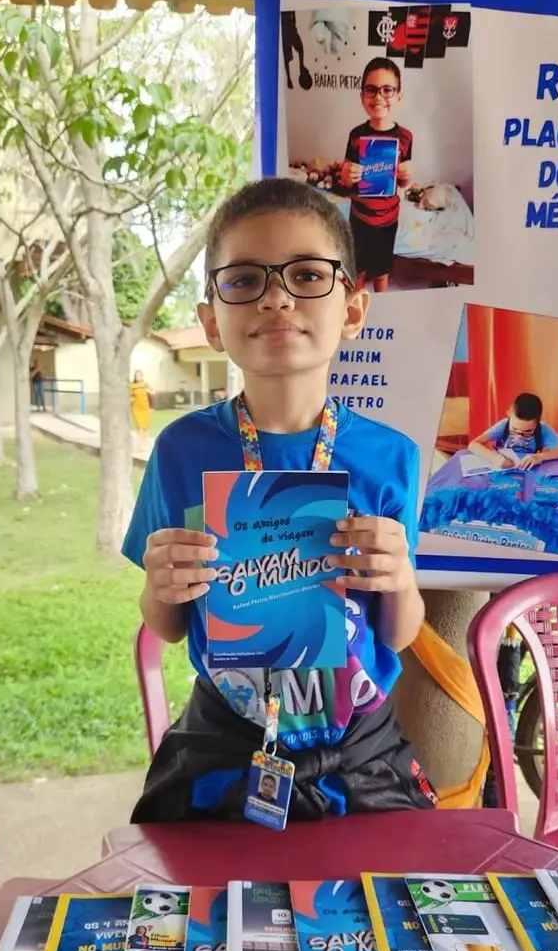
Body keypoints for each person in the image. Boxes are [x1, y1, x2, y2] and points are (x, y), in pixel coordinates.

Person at [122, 176, 437, 823]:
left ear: (351, 310)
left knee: (388, 914)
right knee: (207, 917)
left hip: (362, 751)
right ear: (212, 320)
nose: (275, 299)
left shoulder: (390, 456)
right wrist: (164, 586)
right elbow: (169, 626)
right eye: (244, 280)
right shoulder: (183, 451)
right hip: (226, 743)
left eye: (306, 275)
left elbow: (398, 635)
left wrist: (399, 580)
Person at [338, 58, 414, 294]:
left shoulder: (406, 138)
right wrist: (345, 174)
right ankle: (356, 309)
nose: (378, 97)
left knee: (382, 272)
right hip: (359, 218)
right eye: (371, 89)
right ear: (362, 96)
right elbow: (345, 180)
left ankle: (384, 307)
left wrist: (407, 176)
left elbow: (402, 183)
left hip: (388, 219)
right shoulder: (355, 135)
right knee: (357, 271)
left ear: (399, 96)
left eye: (388, 90)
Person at [467, 391, 558, 472]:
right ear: (509, 414)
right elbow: (473, 444)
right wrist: (494, 458)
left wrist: (539, 457)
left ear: (538, 421)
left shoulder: (543, 430)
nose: (519, 435)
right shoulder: (504, 425)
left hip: (529, 472)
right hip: (504, 470)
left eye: (527, 432)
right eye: (514, 430)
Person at [130, 369, 153, 438]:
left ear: (142, 376)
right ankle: (140, 444)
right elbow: (131, 397)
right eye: (137, 376)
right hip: (136, 408)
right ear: (135, 377)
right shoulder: (132, 386)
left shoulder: (146, 385)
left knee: (146, 427)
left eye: (140, 376)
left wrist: (152, 407)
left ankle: (145, 442)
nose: (138, 377)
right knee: (140, 427)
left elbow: (152, 395)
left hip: (146, 408)